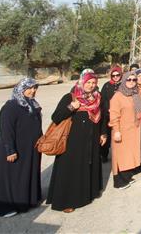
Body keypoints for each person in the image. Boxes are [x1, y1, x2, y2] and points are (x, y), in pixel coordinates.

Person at [47, 71, 107, 213]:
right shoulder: (70, 97)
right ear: (82, 82)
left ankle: (89, 194)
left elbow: (103, 116)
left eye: (93, 83)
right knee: (71, 169)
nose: (91, 86)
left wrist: (103, 133)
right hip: (72, 142)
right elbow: (56, 117)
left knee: (89, 165)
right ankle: (67, 201)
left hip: (91, 140)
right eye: (88, 82)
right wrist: (71, 107)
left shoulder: (98, 97)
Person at [0, 78, 42, 217]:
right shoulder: (11, 106)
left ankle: (27, 201)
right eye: (30, 88)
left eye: (35, 88)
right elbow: (6, 130)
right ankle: (6, 207)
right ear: (21, 89)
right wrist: (10, 150)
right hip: (14, 149)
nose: (33, 91)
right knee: (12, 177)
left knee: (25, 175)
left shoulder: (32, 104)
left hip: (29, 149)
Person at [109, 71, 141, 189]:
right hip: (122, 130)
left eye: (134, 80)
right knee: (120, 155)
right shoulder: (117, 96)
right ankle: (119, 182)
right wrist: (116, 131)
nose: (131, 82)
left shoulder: (135, 93)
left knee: (129, 154)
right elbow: (114, 115)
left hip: (133, 129)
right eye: (129, 79)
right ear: (124, 80)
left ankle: (127, 176)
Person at [100, 66, 122, 162]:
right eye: (113, 75)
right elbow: (103, 100)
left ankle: (119, 156)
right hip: (107, 115)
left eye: (117, 75)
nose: (115, 77)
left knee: (119, 135)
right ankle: (104, 155)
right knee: (106, 135)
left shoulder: (124, 85)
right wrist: (106, 110)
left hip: (120, 115)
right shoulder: (107, 85)